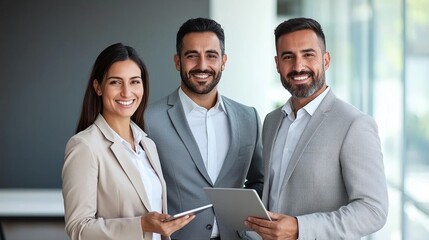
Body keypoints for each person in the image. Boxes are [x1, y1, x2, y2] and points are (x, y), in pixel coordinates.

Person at [245, 18, 388, 239]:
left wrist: (300, 228)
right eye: (288, 57)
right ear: (277, 64)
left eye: (308, 54)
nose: (298, 66)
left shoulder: (354, 124)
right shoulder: (272, 121)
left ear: (326, 59)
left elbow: (373, 210)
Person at [144, 18, 264, 240]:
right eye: (192, 55)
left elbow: (260, 180)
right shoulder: (148, 119)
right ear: (177, 61)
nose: (202, 65)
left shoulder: (249, 117)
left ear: (223, 61)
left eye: (211, 55)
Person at [62, 43, 194, 240]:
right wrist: (140, 225)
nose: (126, 92)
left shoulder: (147, 144)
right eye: (115, 82)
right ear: (98, 87)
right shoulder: (84, 146)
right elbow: (78, 229)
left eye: (134, 82)